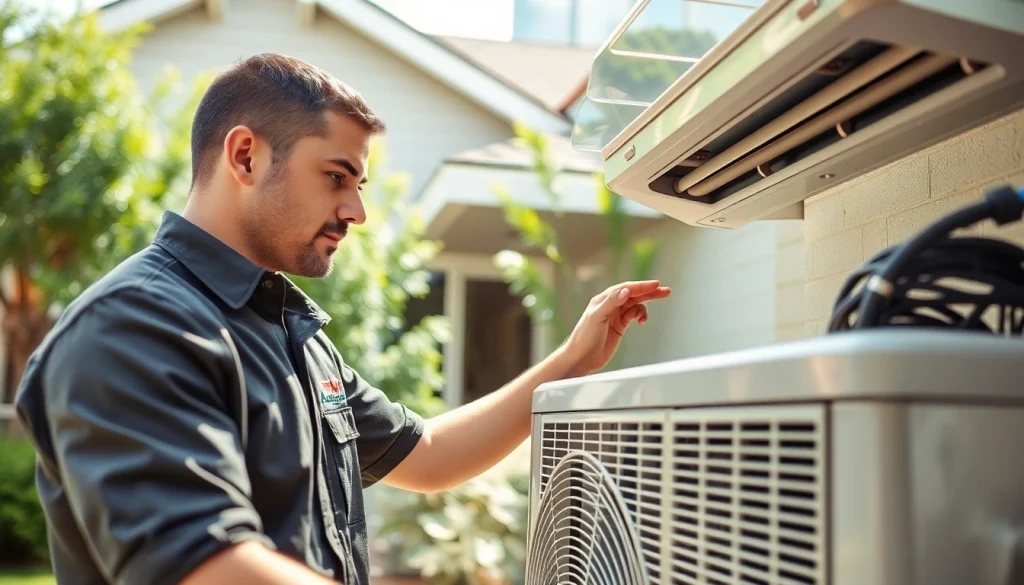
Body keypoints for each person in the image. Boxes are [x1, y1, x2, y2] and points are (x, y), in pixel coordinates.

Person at [13, 53, 671, 585]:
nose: (356, 211)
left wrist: (573, 360)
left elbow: (428, 457)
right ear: (245, 157)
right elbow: (207, 566)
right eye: (336, 177)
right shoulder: (132, 328)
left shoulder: (292, 333)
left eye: (359, 186)